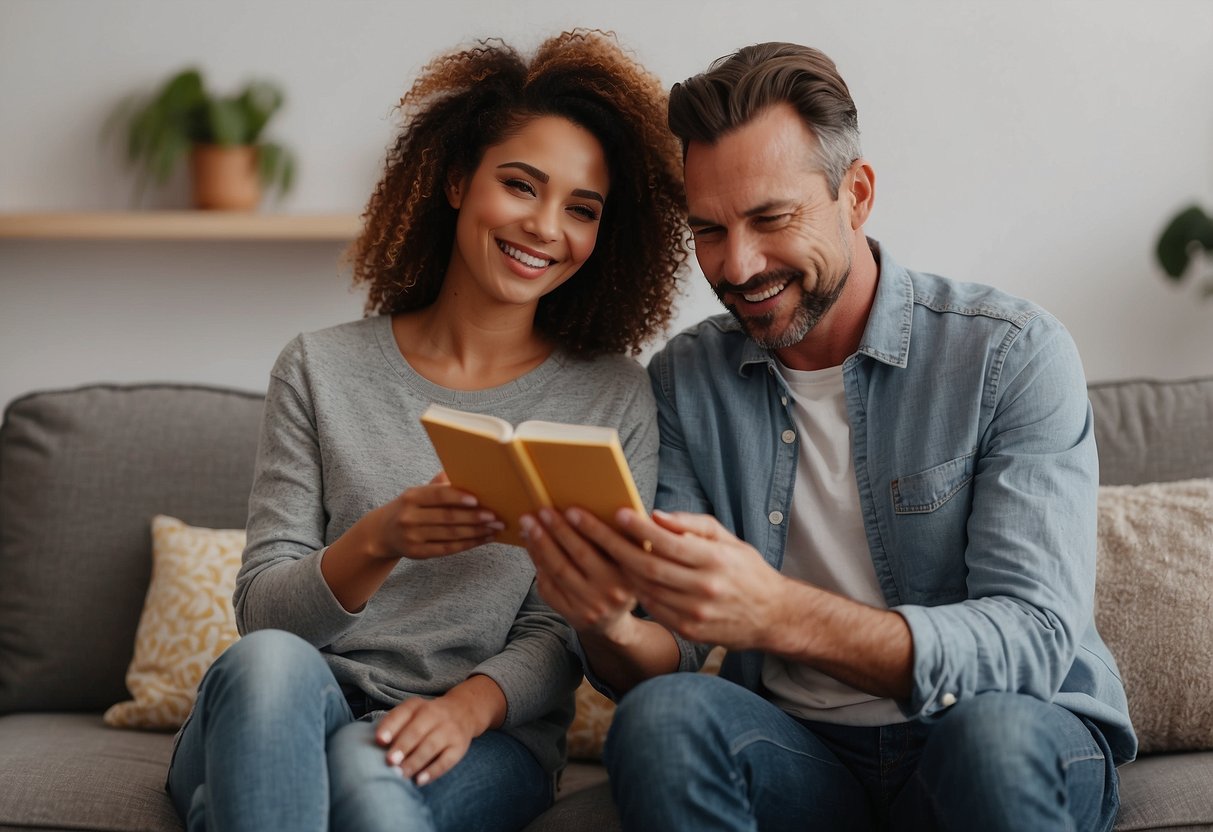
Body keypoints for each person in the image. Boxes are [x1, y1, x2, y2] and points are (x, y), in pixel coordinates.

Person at [522, 41, 1136, 831]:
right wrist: (605, 624)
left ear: (857, 194)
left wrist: (778, 612)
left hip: (1001, 730)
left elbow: (1033, 639)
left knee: (992, 737)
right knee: (665, 717)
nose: (737, 265)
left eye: (770, 218)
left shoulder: (1009, 353)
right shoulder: (685, 379)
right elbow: (659, 658)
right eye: (708, 230)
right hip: (803, 755)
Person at [165, 30, 686, 832]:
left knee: (360, 783)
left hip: (479, 737)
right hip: (283, 706)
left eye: (581, 209)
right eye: (521, 186)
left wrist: (469, 708)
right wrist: (381, 538)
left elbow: (562, 629)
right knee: (268, 665)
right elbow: (263, 617)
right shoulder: (317, 367)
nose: (546, 227)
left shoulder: (612, 397)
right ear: (453, 179)